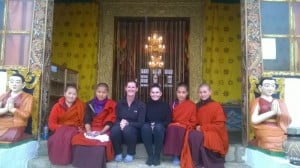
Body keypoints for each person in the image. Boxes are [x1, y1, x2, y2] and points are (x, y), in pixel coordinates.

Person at [71, 83, 116, 168]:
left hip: (104, 129)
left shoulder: (112, 104)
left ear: (107, 93)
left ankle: (96, 164)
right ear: (95, 92)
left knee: (100, 142)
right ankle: (80, 164)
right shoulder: (89, 104)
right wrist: (88, 132)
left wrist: (101, 132)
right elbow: (87, 118)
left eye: (104, 92)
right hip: (91, 128)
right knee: (77, 139)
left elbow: (110, 120)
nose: (101, 94)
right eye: (99, 92)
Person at [187, 83, 229, 168]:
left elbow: (219, 125)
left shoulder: (216, 106)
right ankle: (197, 161)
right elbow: (194, 121)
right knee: (192, 134)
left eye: (205, 92)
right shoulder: (197, 106)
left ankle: (208, 161)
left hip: (214, 132)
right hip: (201, 131)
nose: (202, 94)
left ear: (210, 92)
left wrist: (203, 128)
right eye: (200, 92)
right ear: (198, 94)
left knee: (199, 136)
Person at [250, 77, 291, 151]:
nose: (270, 88)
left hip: (278, 127)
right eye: (267, 85)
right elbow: (254, 120)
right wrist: (272, 112)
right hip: (263, 127)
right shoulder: (257, 101)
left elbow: (287, 119)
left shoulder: (279, 102)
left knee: (284, 141)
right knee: (267, 141)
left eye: (272, 86)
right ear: (260, 88)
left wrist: (279, 113)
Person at [47, 84, 85, 165]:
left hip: (74, 129)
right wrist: (62, 128)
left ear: (77, 95)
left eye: (74, 94)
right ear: (64, 94)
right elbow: (51, 123)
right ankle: (57, 159)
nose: (71, 96)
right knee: (54, 139)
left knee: (71, 137)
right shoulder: (57, 106)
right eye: (69, 93)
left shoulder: (81, 105)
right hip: (60, 128)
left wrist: (82, 129)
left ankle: (67, 159)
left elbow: (83, 121)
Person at [110, 80, 146, 163]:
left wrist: (128, 123)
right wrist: (121, 123)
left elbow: (141, 123)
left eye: (133, 87)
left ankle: (130, 153)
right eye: (129, 87)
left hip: (134, 129)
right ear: (125, 88)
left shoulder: (141, 105)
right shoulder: (119, 103)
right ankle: (118, 152)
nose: (131, 89)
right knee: (114, 130)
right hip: (121, 125)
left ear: (137, 89)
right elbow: (116, 118)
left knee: (128, 129)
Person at [163, 82, 197, 166]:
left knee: (178, 128)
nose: (181, 95)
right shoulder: (173, 105)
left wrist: (182, 123)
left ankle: (178, 155)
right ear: (176, 92)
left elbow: (193, 121)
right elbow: (169, 118)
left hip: (186, 126)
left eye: (183, 92)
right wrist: (175, 123)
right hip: (174, 125)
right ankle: (174, 155)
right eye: (179, 92)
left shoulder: (191, 105)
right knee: (172, 127)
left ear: (187, 93)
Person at [141, 84, 171, 166]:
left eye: (157, 92)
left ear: (161, 93)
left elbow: (168, 121)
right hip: (147, 131)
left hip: (160, 132)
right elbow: (142, 119)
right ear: (150, 93)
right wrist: (151, 125)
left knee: (158, 127)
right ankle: (150, 155)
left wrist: (157, 124)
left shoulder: (166, 106)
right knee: (145, 127)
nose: (155, 94)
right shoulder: (145, 105)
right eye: (153, 92)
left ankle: (157, 156)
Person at [0, 74, 33, 142]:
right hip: (2, 121)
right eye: (12, 82)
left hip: (16, 123)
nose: (14, 84)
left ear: (23, 85)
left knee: (11, 135)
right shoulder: (3, 96)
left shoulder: (28, 97)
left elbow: (26, 115)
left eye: (17, 82)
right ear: (8, 83)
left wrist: (13, 109)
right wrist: (6, 109)